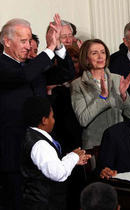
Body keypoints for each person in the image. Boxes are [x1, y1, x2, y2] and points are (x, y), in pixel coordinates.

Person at [0, 14, 74, 210]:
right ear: (6, 42)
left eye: (30, 40)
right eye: (23, 41)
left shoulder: (33, 67)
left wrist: (58, 45)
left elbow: (67, 73)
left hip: (41, 151)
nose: (28, 45)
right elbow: (24, 76)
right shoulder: (3, 65)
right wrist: (49, 48)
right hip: (13, 153)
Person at [21, 96, 91, 210]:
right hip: (44, 205)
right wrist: (73, 156)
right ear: (44, 120)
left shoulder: (30, 135)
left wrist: (72, 160)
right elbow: (58, 173)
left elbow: (50, 166)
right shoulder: (40, 145)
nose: (54, 120)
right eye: (52, 117)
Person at [70, 39, 130, 149]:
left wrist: (124, 96)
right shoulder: (78, 85)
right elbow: (83, 120)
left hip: (120, 142)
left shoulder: (117, 79)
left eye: (103, 52)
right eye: (94, 53)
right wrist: (102, 97)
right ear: (86, 58)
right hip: (96, 145)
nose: (100, 57)